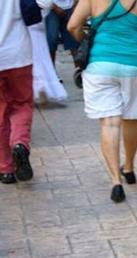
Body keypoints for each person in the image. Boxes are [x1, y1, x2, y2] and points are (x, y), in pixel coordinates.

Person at [68, 0, 137, 202]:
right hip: (135, 64)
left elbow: (72, 25)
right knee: (131, 117)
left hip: (100, 64)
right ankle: (129, 167)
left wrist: (85, 38)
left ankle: (116, 182)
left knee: (110, 122)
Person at [0, 0, 52, 184]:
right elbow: (45, 3)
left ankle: (5, 168)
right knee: (21, 105)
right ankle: (20, 143)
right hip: (19, 54)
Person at [29, 8, 68, 104]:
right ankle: (42, 87)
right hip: (35, 22)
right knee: (40, 55)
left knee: (37, 55)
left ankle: (40, 87)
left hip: (33, 23)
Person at [46, 0, 80, 67]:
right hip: (51, 7)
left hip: (70, 6)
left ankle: (79, 71)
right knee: (52, 40)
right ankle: (51, 72)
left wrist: (76, 4)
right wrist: (54, 7)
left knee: (74, 40)